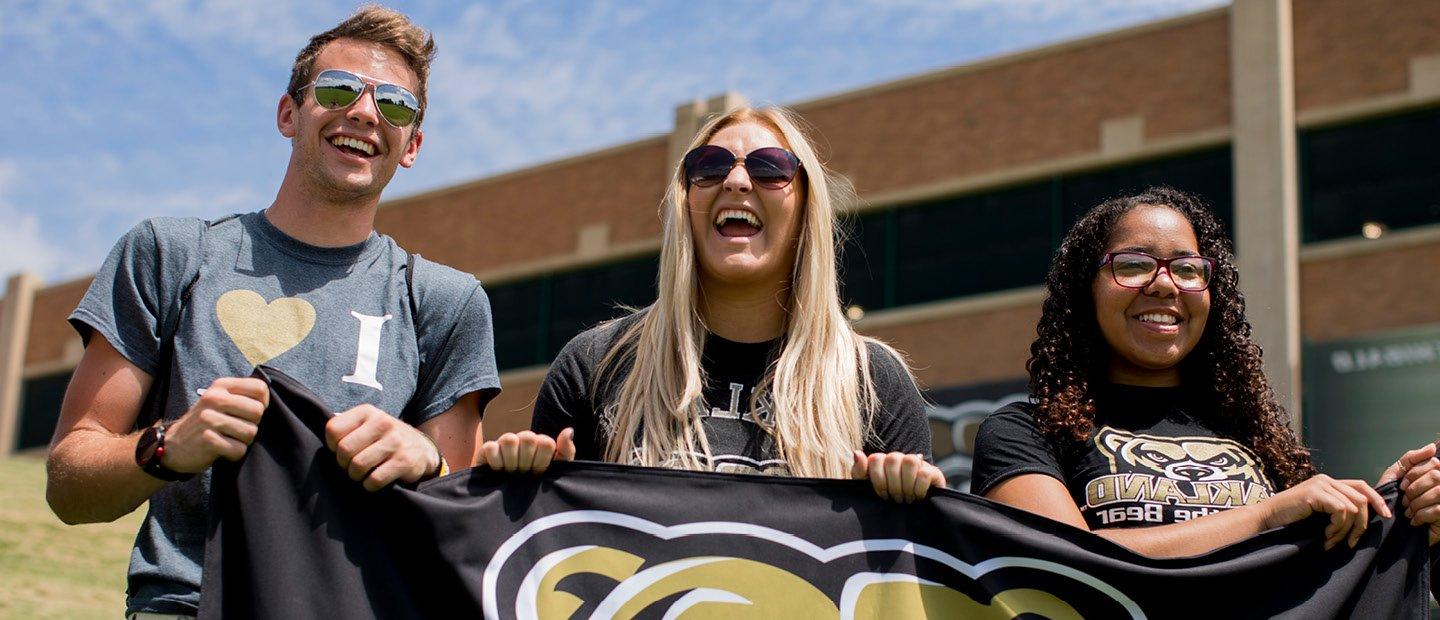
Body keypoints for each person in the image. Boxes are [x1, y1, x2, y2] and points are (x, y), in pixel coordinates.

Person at [45, 7, 501, 617]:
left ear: (412, 144)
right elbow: (68, 485)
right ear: (289, 113)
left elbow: (467, 529)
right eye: (338, 89)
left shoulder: (446, 302)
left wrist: (429, 461)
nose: (365, 113)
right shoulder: (171, 255)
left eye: (394, 105)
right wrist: (169, 445)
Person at [477, 106, 943, 502]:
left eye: (770, 167)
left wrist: (911, 505)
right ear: (686, 202)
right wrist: (520, 484)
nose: (737, 180)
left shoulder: (873, 380)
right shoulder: (596, 364)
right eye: (711, 165)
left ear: (805, 209)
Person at [971, 186, 1440, 557]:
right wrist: (1264, 517)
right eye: (1133, 264)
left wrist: (1389, 509)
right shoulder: (1024, 434)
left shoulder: (1258, 438)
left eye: (1187, 268)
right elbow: (1065, 563)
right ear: (1084, 291)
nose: (1163, 284)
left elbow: (1311, 583)